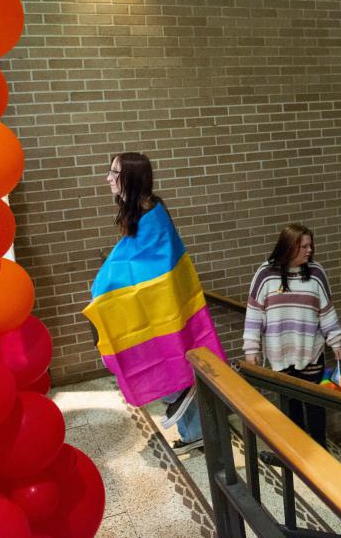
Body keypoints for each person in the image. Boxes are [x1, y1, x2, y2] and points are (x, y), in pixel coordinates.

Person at [83, 152, 226, 456]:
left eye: (114, 173)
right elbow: (130, 260)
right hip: (156, 302)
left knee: (177, 362)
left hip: (165, 301)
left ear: (131, 178)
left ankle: (196, 428)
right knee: (169, 360)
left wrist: (106, 284)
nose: (108, 178)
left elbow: (146, 263)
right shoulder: (139, 210)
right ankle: (193, 429)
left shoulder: (151, 213)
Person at [242, 223, 341, 448]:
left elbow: (326, 310)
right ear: (288, 247)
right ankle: (297, 452)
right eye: (304, 246)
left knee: (315, 405)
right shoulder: (265, 275)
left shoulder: (316, 273)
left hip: (311, 352)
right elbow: (254, 314)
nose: (309, 251)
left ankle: (320, 453)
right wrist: (251, 350)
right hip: (280, 353)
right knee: (290, 406)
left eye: (310, 246)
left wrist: (335, 340)